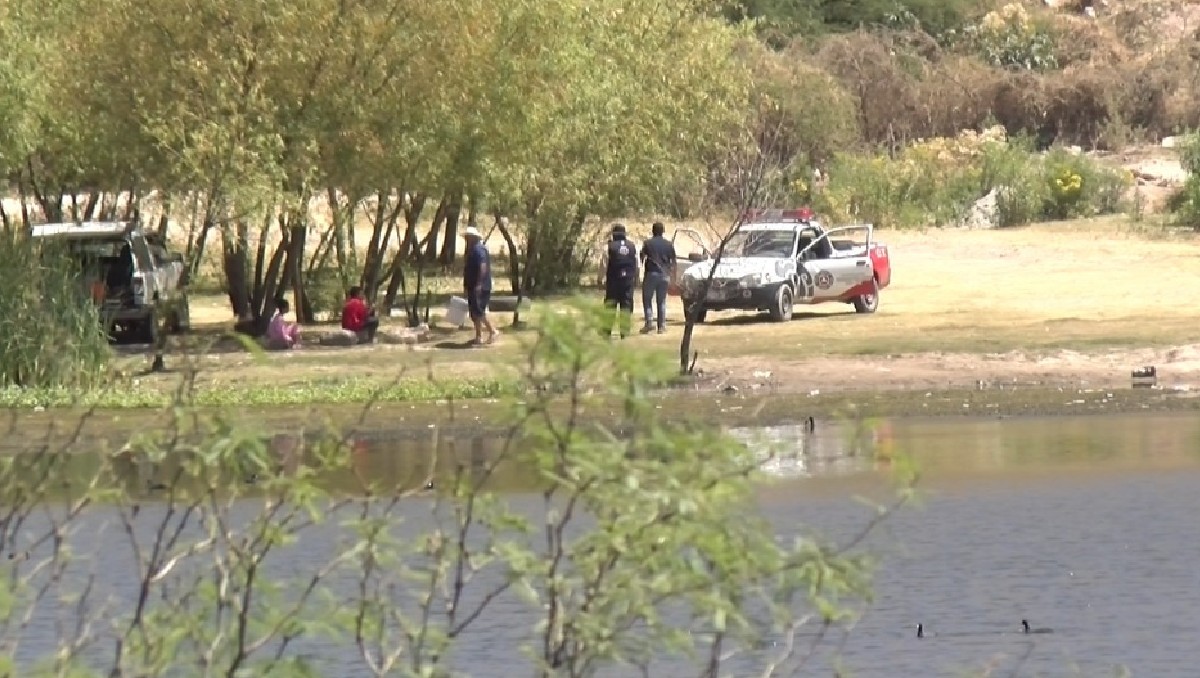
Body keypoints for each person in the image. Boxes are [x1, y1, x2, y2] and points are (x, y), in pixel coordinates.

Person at [639, 221, 677, 334]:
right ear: (663, 231)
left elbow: (641, 257)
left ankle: (649, 322)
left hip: (651, 273)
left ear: (653, 231)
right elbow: (674, 261)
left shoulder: (647, 243)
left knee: (647, 299)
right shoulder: (669, 244)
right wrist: (673, 277)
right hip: (664, 274)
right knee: (661, 301)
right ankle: (661, 326)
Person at [462, 226, 497, 346]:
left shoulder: (478, 250)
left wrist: (479, 284)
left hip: (480, 286)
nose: (466, 239)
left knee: (479, 311)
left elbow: (482, 267)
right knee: (474, 312)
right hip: (473, 285)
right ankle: (478, 337)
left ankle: (493, 331)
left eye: (467, 237)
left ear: (472, 238)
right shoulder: (473, 250)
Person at [603, 223, 639, 339]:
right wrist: (637, 278)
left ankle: (607, 331)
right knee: (626, 305)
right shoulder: (632, 246)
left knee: (610, 305)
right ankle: (624, 332)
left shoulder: (609, 247)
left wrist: (600, 279)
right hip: (628, 280)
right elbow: (637, 264)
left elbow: (604, 265)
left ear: (614, 234)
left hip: (613, 280)